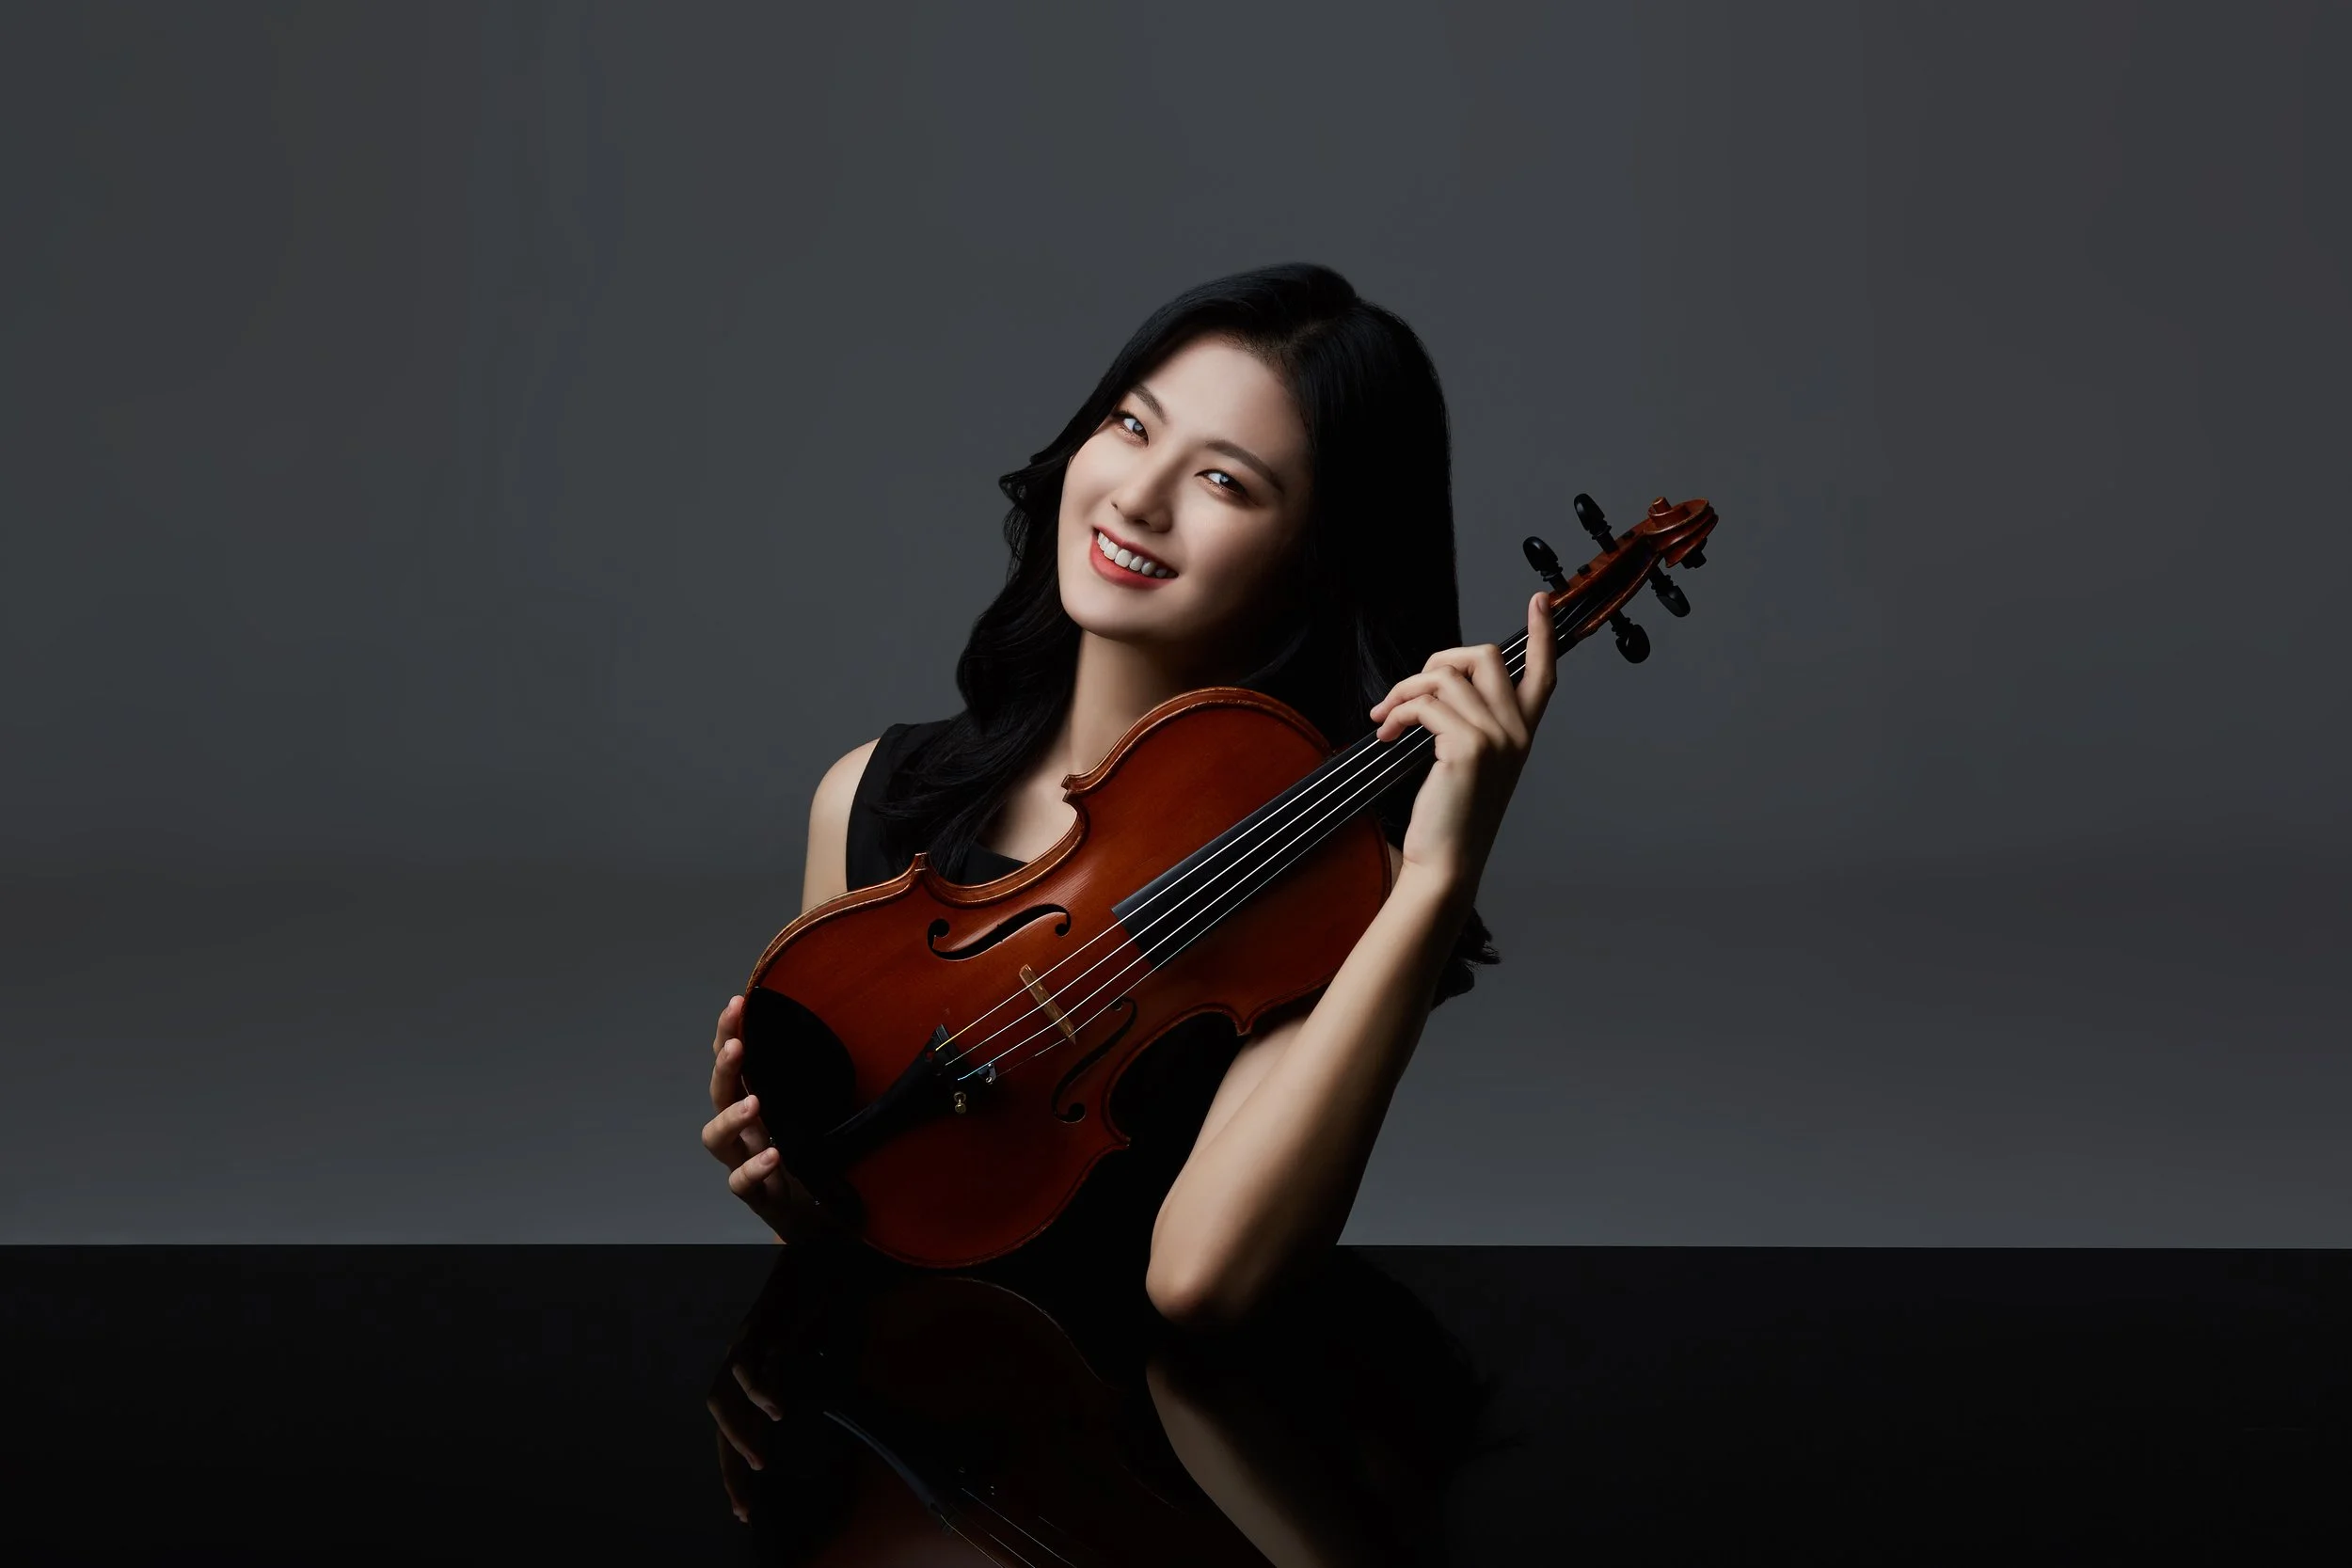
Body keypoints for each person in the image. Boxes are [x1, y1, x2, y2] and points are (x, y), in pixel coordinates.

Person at [702, 261, 1559, 1325]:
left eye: (1225, 481)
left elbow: (1201, 1281)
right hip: (932, 1449)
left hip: (1179, 1455)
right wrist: (812, 1206)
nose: (1137, 498)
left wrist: (1434, 873)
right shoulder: (875, 802)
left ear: (1317, 555)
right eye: (1131, 423)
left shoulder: (1325, 887)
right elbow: (886, 1249)